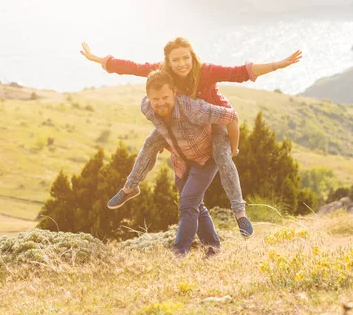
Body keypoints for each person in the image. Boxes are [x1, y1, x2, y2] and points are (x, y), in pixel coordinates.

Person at [81, 37, 302, 237]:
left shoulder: (206, 71)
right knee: (150, 143)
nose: (181, 63)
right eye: (175, 59)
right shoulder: (162, 72)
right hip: (181, 122)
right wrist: (98, 59)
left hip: (215, 121)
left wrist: (278, 64)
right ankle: (130, 188)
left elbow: (241, 72)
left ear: (192, 56)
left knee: (223, 158)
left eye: (185, 57)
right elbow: (130, 67)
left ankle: (240, 214)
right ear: (168, 60)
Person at [139, 69, 237, 255]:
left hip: (206, 157)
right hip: (183, 161)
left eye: (165, 97)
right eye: (155, 99)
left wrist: (233, 148)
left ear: (174, 92)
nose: (160, 102)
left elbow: (231, 115)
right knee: (195, 205)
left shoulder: (192, 108)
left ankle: (179, 253)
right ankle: (213, 249)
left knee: (187, 204)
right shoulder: (148, 108)